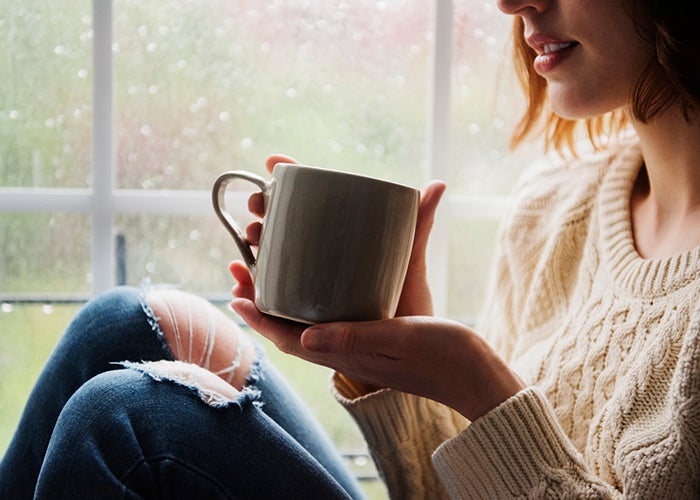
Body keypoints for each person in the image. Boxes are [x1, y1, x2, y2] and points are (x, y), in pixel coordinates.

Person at [1, 0, 698, 496]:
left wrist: (480, 386)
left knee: (124, 419)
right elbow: (437, 493)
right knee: (120, 322)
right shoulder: (556, 205)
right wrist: (401, 357)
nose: (510, 3)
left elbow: (493, 418)